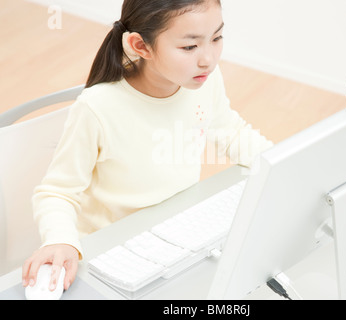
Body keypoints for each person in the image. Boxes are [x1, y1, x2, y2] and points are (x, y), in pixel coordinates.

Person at [22, 0, 273, 293]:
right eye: (190, 47)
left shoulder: (205, 81)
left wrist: (283, 163)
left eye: (216, 38)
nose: (208, 59)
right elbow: (57, 192)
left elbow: (231, 132)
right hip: (116, 254)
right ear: (140, 46)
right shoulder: (97, 109)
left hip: (177, 235)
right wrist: (60, 239)